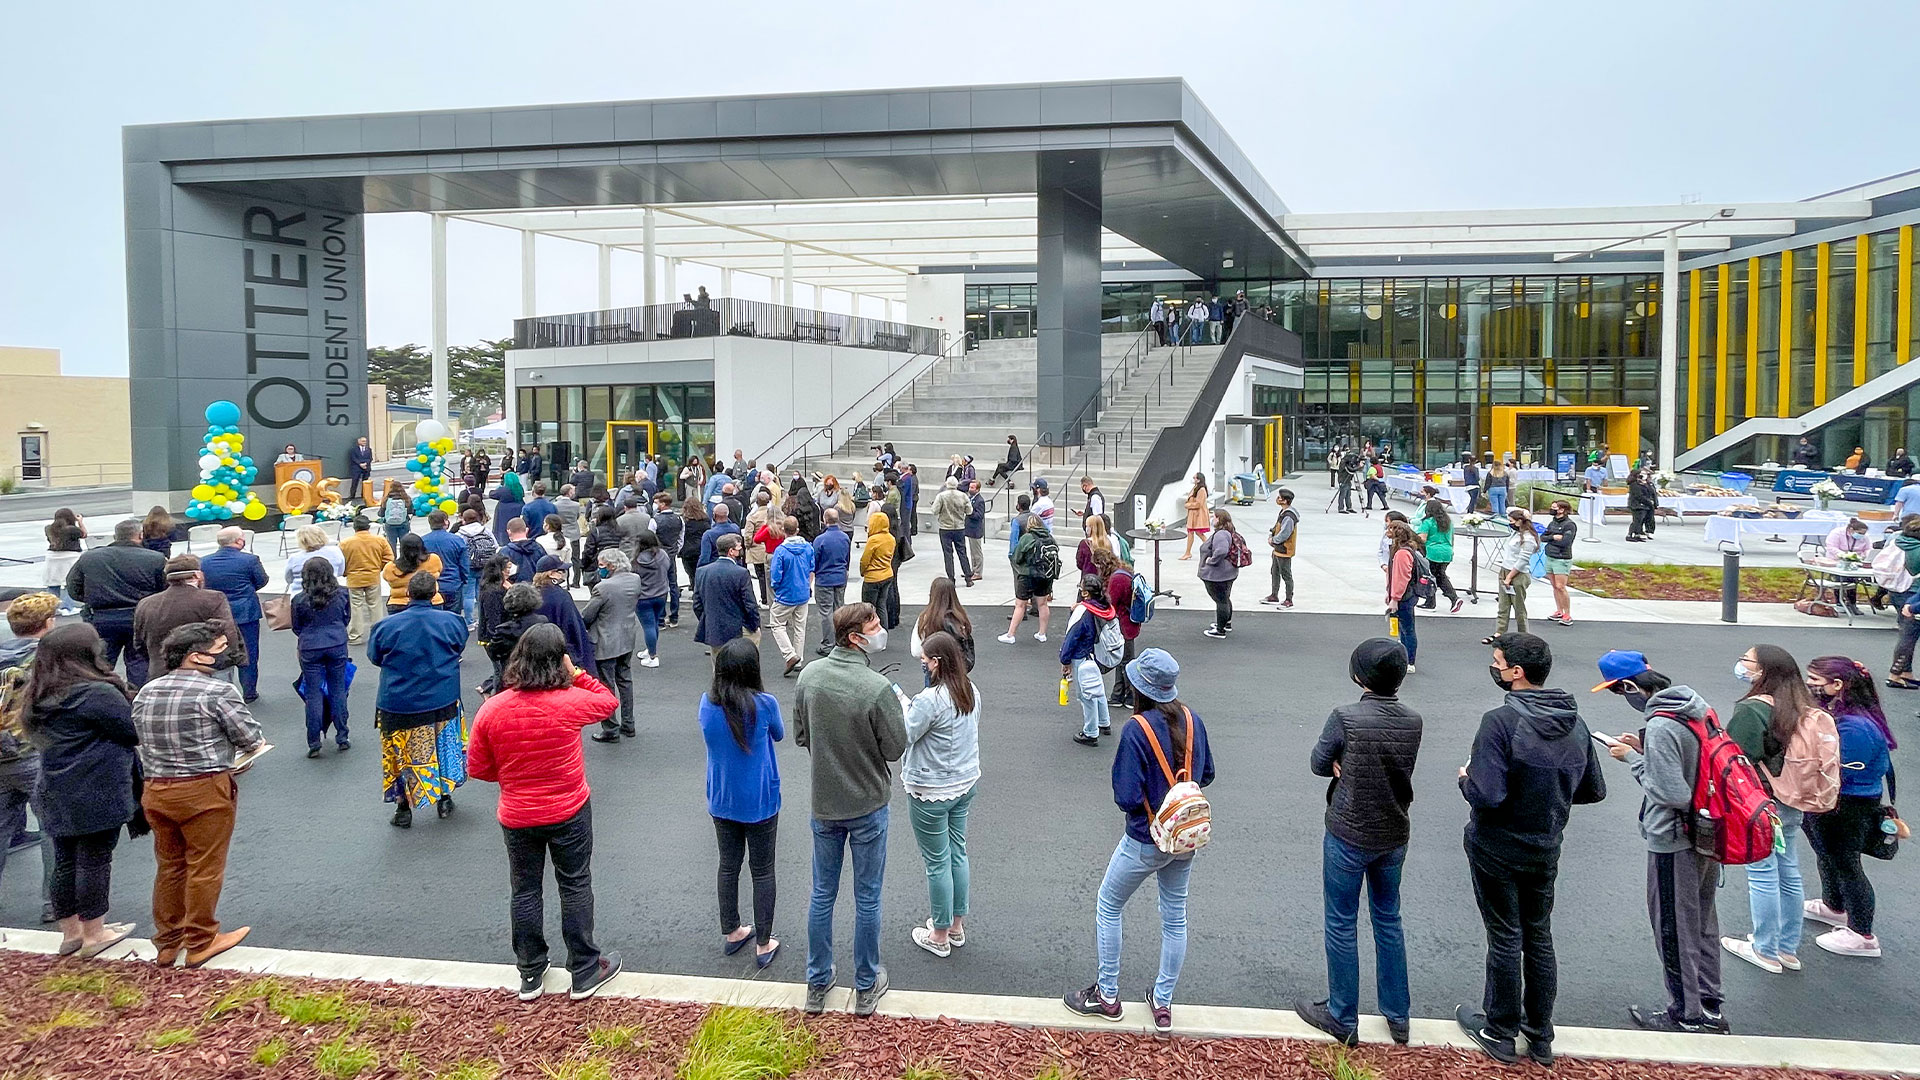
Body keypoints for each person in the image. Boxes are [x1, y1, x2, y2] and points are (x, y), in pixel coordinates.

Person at [1455, 633, 1607, 1066]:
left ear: (1516, 672)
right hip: (1546, 845)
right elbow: (1592, 789)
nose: (1495, 667)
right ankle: (1540, 1035)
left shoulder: (1500, 722)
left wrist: (1466, 778)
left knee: (1504, 935)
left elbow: (1487, 794)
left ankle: (1499, 1031)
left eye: (1498, 661)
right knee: (1538, 935)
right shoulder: (1574, 723)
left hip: (1497, 844)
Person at [467, 623, 624, 1001]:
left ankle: (531, 973)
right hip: (568, 807)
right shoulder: (569, 702)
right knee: (574, 883)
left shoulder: (493, 709)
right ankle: (585, 968)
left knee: (524, 889)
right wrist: (578, 673)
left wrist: (511, 778)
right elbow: (607, 702)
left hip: (518, 814)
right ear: (559, 661)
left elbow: (478, 768)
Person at [1062, 648, 1214, 1033]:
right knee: (1174, 916)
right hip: (1185, 836)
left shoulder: (1137, 729)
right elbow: (1207, 774)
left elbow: (1126, 796)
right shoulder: (1193, 720)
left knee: (1109, 904)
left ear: (1140, 687)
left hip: (1145, 837)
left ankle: (1108, 995)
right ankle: (1162, 1003)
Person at [1589, 652, 1727, 1033]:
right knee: (1701, 920)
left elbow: (1671, 791)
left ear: (1633, 687)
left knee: (1673, 925)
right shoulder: (1693, 709)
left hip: (1673, 836)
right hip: (1706, 831)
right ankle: (1709, 1002)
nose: (1624, 698)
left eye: (1620, 691)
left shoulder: (1663, 726)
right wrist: (1645, 747)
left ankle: (1686, 1013)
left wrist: (1632, 760)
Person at [1295, 638, 1422, 1048]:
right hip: (1393, 830)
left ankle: (1342, 1014)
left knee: (1341, 920)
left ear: (1359, 677)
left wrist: (1341, 764)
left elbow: (1319, 762)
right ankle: (1398, 1015)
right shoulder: (1413, 720)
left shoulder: (1346, 717)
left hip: (1349, 829)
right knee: (1389, 919)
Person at [794, 603, 908, 1017]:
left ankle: (817, 981)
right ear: (855, 638)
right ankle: (865, 985)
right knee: (868, 897)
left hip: (824, 802)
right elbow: (895, 748)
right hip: (868, 804)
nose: (881, 630)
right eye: (874, 625)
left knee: (822, 894)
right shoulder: (875, 688)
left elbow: (801, 735)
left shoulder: (809, 676)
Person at [132, 620, 264, 967]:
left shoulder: (148, 691)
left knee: (170, 867)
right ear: (196, 657)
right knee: (204, 866)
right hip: (204, 789)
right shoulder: (217, 692)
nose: (226, 654)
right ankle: (201, 940)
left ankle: (167, 942)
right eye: (220, 649)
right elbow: (250, 738)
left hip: (156, 789)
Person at [22, 621, 141, 958]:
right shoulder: (96, 692)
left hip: (54, 784)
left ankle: (71, 933)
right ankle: (95, 933)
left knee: (65, 860)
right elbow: (130, 730)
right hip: (97, 785)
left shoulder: (40, 691)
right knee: (95, 859)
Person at [1721, 645, 1826, 975]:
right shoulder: (1804, 707)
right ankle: (1786, 948)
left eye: (1747, 661)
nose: (1742, 665)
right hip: (1794, 798)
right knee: (1789, 871)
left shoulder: (1752, 710)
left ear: (1763, 671)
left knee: (1762, 873)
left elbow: (1735, 760)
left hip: (1761, 802)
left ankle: (1764, 948)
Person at [1801, 655, 1896, 958]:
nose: (1809, 687)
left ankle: (1863, 934)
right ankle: (1834, 906)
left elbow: (1839, 770)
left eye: (1815, 682)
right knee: (1828, 855)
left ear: (1837, 685)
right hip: (1840, 801)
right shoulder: (1848, 716)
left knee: (1846, 864)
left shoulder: (1854, 727)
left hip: (1847, 803)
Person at [699, 636, 785, 968]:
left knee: (728, 865)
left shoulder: (707, 704)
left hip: (722, 798)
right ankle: (764, 943)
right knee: (762, 870)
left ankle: (732, 931)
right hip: (761, 799)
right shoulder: (765, 704)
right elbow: (778, 734)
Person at [366, 573, 471, 829]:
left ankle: (403, 807)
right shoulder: (453, 622)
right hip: (442, 697)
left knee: (397, 755)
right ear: (434, 593)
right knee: (444, 749)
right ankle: (444, 799)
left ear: (408, 594)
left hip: (398, 701)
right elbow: (458, 649)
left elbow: (375, 657)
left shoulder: (385, 626)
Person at [903, 630, 981, 959]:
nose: (923, 665)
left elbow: (905, 734)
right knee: (957, 853)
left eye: (924, 661)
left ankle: (939, 933)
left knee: (937, 862)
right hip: (964, 782)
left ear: (936, 663)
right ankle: (956, 925)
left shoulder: (928, 701)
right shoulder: (971, 690)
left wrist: (901, 708)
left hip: (930, 788)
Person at [1, 594, 58, 926]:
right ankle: (54, 901)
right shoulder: (48, 658)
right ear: (49, 622)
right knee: (53, 826)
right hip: (32, 751)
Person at [66, 519, 167, 684]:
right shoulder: (155, 558)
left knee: (99, 663)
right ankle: (137, 697)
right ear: (140, 535)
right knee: (139, 662)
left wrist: (94, 598)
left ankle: (100, 696)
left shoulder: (90, 557)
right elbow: (164, 589)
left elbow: (73, 588)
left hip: (100, 616)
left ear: (115, 536)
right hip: (140, 616)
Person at [133, 555, 241, 689]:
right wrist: (234, 656)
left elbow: (139, 643)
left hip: (161, 670)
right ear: (197, 575)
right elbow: (228, 633)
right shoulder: (213, 598)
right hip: (206, 670)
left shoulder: (146, 603)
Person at [199, 528, 268, 701]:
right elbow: (262, 580)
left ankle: (223, 691)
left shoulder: (204, 562)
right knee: (249, 653)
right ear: (238, 541)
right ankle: (249, 692)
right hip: (246, 613)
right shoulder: (250, 560)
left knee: (218, 651)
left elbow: (202, 585)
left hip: (216, 613)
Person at [291, 560, 351, 757]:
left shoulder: (299, 599)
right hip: (336, 642)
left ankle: (314, 741)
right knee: (338, 689)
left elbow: (296, 627)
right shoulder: (342, 593)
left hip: (310, 646)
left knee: (313, 694)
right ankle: (342, 735)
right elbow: (346, 618)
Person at [582, 550, 642, 743]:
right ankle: (628, 723)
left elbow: (588, 615)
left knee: (606, 686)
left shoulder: (603, 587)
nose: (599, 569)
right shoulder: (635, 579)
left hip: (606, 641)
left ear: (611, 566)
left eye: (601, 566)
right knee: (625, 681)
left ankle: (610, 728)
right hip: (627, 636)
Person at [1059, 575, 1117, 746]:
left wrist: (1064, 659)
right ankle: (1104, 722)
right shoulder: (1105, 607)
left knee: (1086, 694)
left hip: (1081, 657)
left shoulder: (1082, 611)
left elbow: (1072, 637)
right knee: (1097, 689)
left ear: (1085, 593)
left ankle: (1091, 732)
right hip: (1097, 655)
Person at [766, 517, 816, 678]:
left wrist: (776, 586)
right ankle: (799, 659)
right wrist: (807, 586)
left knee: (777, 624)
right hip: (802, 593)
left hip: (786, 594)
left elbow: (776, 575)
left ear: (783, 531)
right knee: (799, 627)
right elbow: (812, 569)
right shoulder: (808, 547)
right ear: (798, 529)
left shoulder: (781, 551)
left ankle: (789, 655)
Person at [694, 534, 760, 653]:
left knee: (719, 667)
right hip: (739, 629)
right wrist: (754, 625)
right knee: (745, 663)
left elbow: (697, 604)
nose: (741, 552)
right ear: (731, 551)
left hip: (715, 630)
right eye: (739, 549)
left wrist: (710, 621)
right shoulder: (741, 573)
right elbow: (750, 604)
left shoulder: (702, 572)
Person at [1001, 512, 1058, 644]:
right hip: (1045, 575)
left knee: (1020, 605)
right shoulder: (1049, 537)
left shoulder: (1027, 538)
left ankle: (1011, 635)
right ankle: (1042, 633)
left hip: (1027, 575)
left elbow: (1017, 556)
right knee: (1043, 604)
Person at [1484, 507, 1539, 643]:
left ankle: (1524, 635)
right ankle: (1499, 632)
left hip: (1518, 574)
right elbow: (1510, 508)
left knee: (1519, 607)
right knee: (1503, 605)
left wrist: (1509, 578)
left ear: (1520, 522)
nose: (1510, 523)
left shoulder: (1528, 538)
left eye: (1512, 521)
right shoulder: (1516, 534)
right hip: (1505, 569)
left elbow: (1522, 561)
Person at [339, 517, 395, 649]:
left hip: (353, 579)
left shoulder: (345, 543)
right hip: (373, 577)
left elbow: (340, 562)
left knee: (355, 606)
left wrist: (346, 572)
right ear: (368, 527)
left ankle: (355, 635)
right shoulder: (379, 540)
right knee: (375, 605)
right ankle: (378, 634)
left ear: (354, 527)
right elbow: (389, 558)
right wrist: (378, 568)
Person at [485, 582, 546, 694]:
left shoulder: (505, 630)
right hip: (538, 673)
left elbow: (493, 652)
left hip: (513, 676)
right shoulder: (542, 621)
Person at [1380, 520, 1422, 672]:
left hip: (1405, 596)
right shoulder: (1403, 550)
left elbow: (1401, 577)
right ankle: (1405, 656)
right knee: (1404, 628)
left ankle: (1409, 661)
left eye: (1391, 529)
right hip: (1404, 595)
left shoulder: (1402, 553)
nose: (1387, 531)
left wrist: (1394, 598)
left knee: (1407, 629)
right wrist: (1389, 591)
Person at [812, 508, 852, 657]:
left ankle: (828, 644)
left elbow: (814, 561)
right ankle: (840, 641)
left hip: (824, 579)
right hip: (840, 577)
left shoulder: (820, 539)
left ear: (825, 519)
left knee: (826, 612)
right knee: (839, 610)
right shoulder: (844, 538)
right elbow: (847, 558)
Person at [1197, 508, 1241, 640]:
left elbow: (1221, 551)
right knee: (1225, 598)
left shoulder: (1221, 535)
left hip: (1218, 575)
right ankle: (1226, 622)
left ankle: (1220, 630)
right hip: (1228, 573)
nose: (1212, 519)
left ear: (1219, 519)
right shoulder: (1228, 532)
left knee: (1220, 600)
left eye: (1214, 517)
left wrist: (1211, 561)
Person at [631, 530, 671, 670]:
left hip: (643, 598)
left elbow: (633, 578)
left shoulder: (636, 561)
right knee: (654, 623)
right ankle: (650, 649)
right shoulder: (663, 555)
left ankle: (653, 656)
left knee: (648, 626)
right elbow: (668, 569)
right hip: (661, 595)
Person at [1417, 498, 1463, 614]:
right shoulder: (1448, 522)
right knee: (1439, 575)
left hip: (1432, 552)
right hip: (1447, 551)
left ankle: (1441, 599)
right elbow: (1452, 538)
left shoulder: (1428, 522)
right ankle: (1436, 600)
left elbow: (1422, 538)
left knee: (1431, 577)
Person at [859, 510, 900, 634]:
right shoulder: (891, 538)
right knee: (881, 605)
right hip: (887, 575)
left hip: (873, 578)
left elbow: (865, 560)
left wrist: (863, 572)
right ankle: (883, 632)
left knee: (869, 608)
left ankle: (870, 632)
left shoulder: (873, 540)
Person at [383, 533, 443, 615]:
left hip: (399, 604)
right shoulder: (433, 559)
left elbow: (386, 577)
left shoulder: (391, 568)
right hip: (432, 602)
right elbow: (440, 570)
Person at [421, 510, 469, 610]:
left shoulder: (422, 541)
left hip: (431, 586)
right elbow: (464, 565)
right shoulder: (457, 540)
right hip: (453, 583)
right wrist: (464, 580)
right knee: (453, 618)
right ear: (445, 522)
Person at [1539, 501, 1577, 625]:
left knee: (1561, 586)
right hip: (1550, 556)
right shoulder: (1552, 523)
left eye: (1554, 508)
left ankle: (1567, 613)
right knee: (1555, 586)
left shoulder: (1569, 525)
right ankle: (1559, 610)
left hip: (1562, 558)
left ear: (1562, 510)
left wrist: (1553, 538)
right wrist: (1553, 537)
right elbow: (1543, 537)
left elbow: (1565, 542)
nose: (1552, 509)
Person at [43, 508, 87, 614]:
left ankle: (51, 608)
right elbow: (84, 534)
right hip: (70, 556)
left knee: (53, 583)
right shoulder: (72, 529)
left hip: (52, 557)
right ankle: (67, 607)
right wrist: (80, 522)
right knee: (69, 582)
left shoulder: (49, 528)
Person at [931, 478, 974, 586]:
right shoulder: (963, 496)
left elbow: (934, 511)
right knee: (962, 553)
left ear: (947, 484)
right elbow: (969, 511)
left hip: (945, 528)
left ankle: (951, 579)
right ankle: (968, 578)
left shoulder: (941, 496)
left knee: (948, 554)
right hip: (959, 528)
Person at [284, 524, 345, 597]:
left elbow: (289, 579)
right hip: (330, 593)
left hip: (300, 596)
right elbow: (341, 571)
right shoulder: (335, 551)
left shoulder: (294, 558)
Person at [1262, 488, 1298, 608]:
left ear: (1285, 500)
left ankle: (1289, 599)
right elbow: (1277, 527)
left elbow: (1285, 533)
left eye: (1280, 497)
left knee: (1286, 575)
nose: (1278, 499)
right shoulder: (1283, 513)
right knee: (1275, 572)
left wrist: (1274, 540)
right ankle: (1274, 595)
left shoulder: (1289, 516)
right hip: (1278, 549)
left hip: (1284, 550)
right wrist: (1271, 534)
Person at [745, 490, 777, 607]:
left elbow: (748, 535)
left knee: (761, 576)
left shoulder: (753, 517)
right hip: (771, 548)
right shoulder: (773, 516)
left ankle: (764, 599)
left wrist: (748, 546)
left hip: (757, 549)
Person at [491, 471, 526, 546]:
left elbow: (492, 494)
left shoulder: (504, 489)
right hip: (518, 509)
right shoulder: (519, 488)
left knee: (503, 528)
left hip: (504, 510)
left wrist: (499, 487)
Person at [1627, 467, 1660, 542]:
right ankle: (1631, 534)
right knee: (1637, 520)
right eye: (1642, 474)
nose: (1644, 476)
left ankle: (1640, 533)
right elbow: (1639, 496)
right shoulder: (1634, 484)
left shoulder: (1649, 483)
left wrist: (1654, 503)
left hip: (1648, 505)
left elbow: (1653, 493)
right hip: (1638, 505)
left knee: (1645, 519)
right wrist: (1648, 502)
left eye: (1645, 474)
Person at [963, 480, 987, 584]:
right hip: (970, 529)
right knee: (972, 552)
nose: (970, 489)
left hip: (976, 529)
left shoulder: (979, 500)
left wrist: (970, 513)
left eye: (972, 488)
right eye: (970, 487)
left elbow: (979, 515)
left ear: (977, 489)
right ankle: (973, 569)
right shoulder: (970, 498)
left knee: (977, 552)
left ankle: (978, 572)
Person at [1180, 475, 1209, 558]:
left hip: (1197, 515)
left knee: (1198, 533)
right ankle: (1188, 552)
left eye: (1195, 478)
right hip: (1193, 514)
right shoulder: (1195, 488)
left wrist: (1188, 505)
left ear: (1199, 480)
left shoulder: (1201, 490)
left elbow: (1199, 504)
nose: (1193, 479)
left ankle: (1210, 547)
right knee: (1191, 532)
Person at [379, 480, 413, 550]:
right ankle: (404, 559)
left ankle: (393, 559)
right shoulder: (406, 498)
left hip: (390, 524)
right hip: (403, 523)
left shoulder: (386, 499)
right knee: (404, 543)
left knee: (391, 544)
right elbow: (410, 511)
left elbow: (381, 514)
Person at [1336, 447, 1362, 514]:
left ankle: (1349, 507)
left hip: (1348, 480)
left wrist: (1357, 463)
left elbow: (1353, 468)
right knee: (1343, 494)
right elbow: (1351, 469)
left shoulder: (1349, 462)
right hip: (1343, 480)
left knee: (1348, 494)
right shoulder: (1343, 462)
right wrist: (1359, 466)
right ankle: (1341, 508)